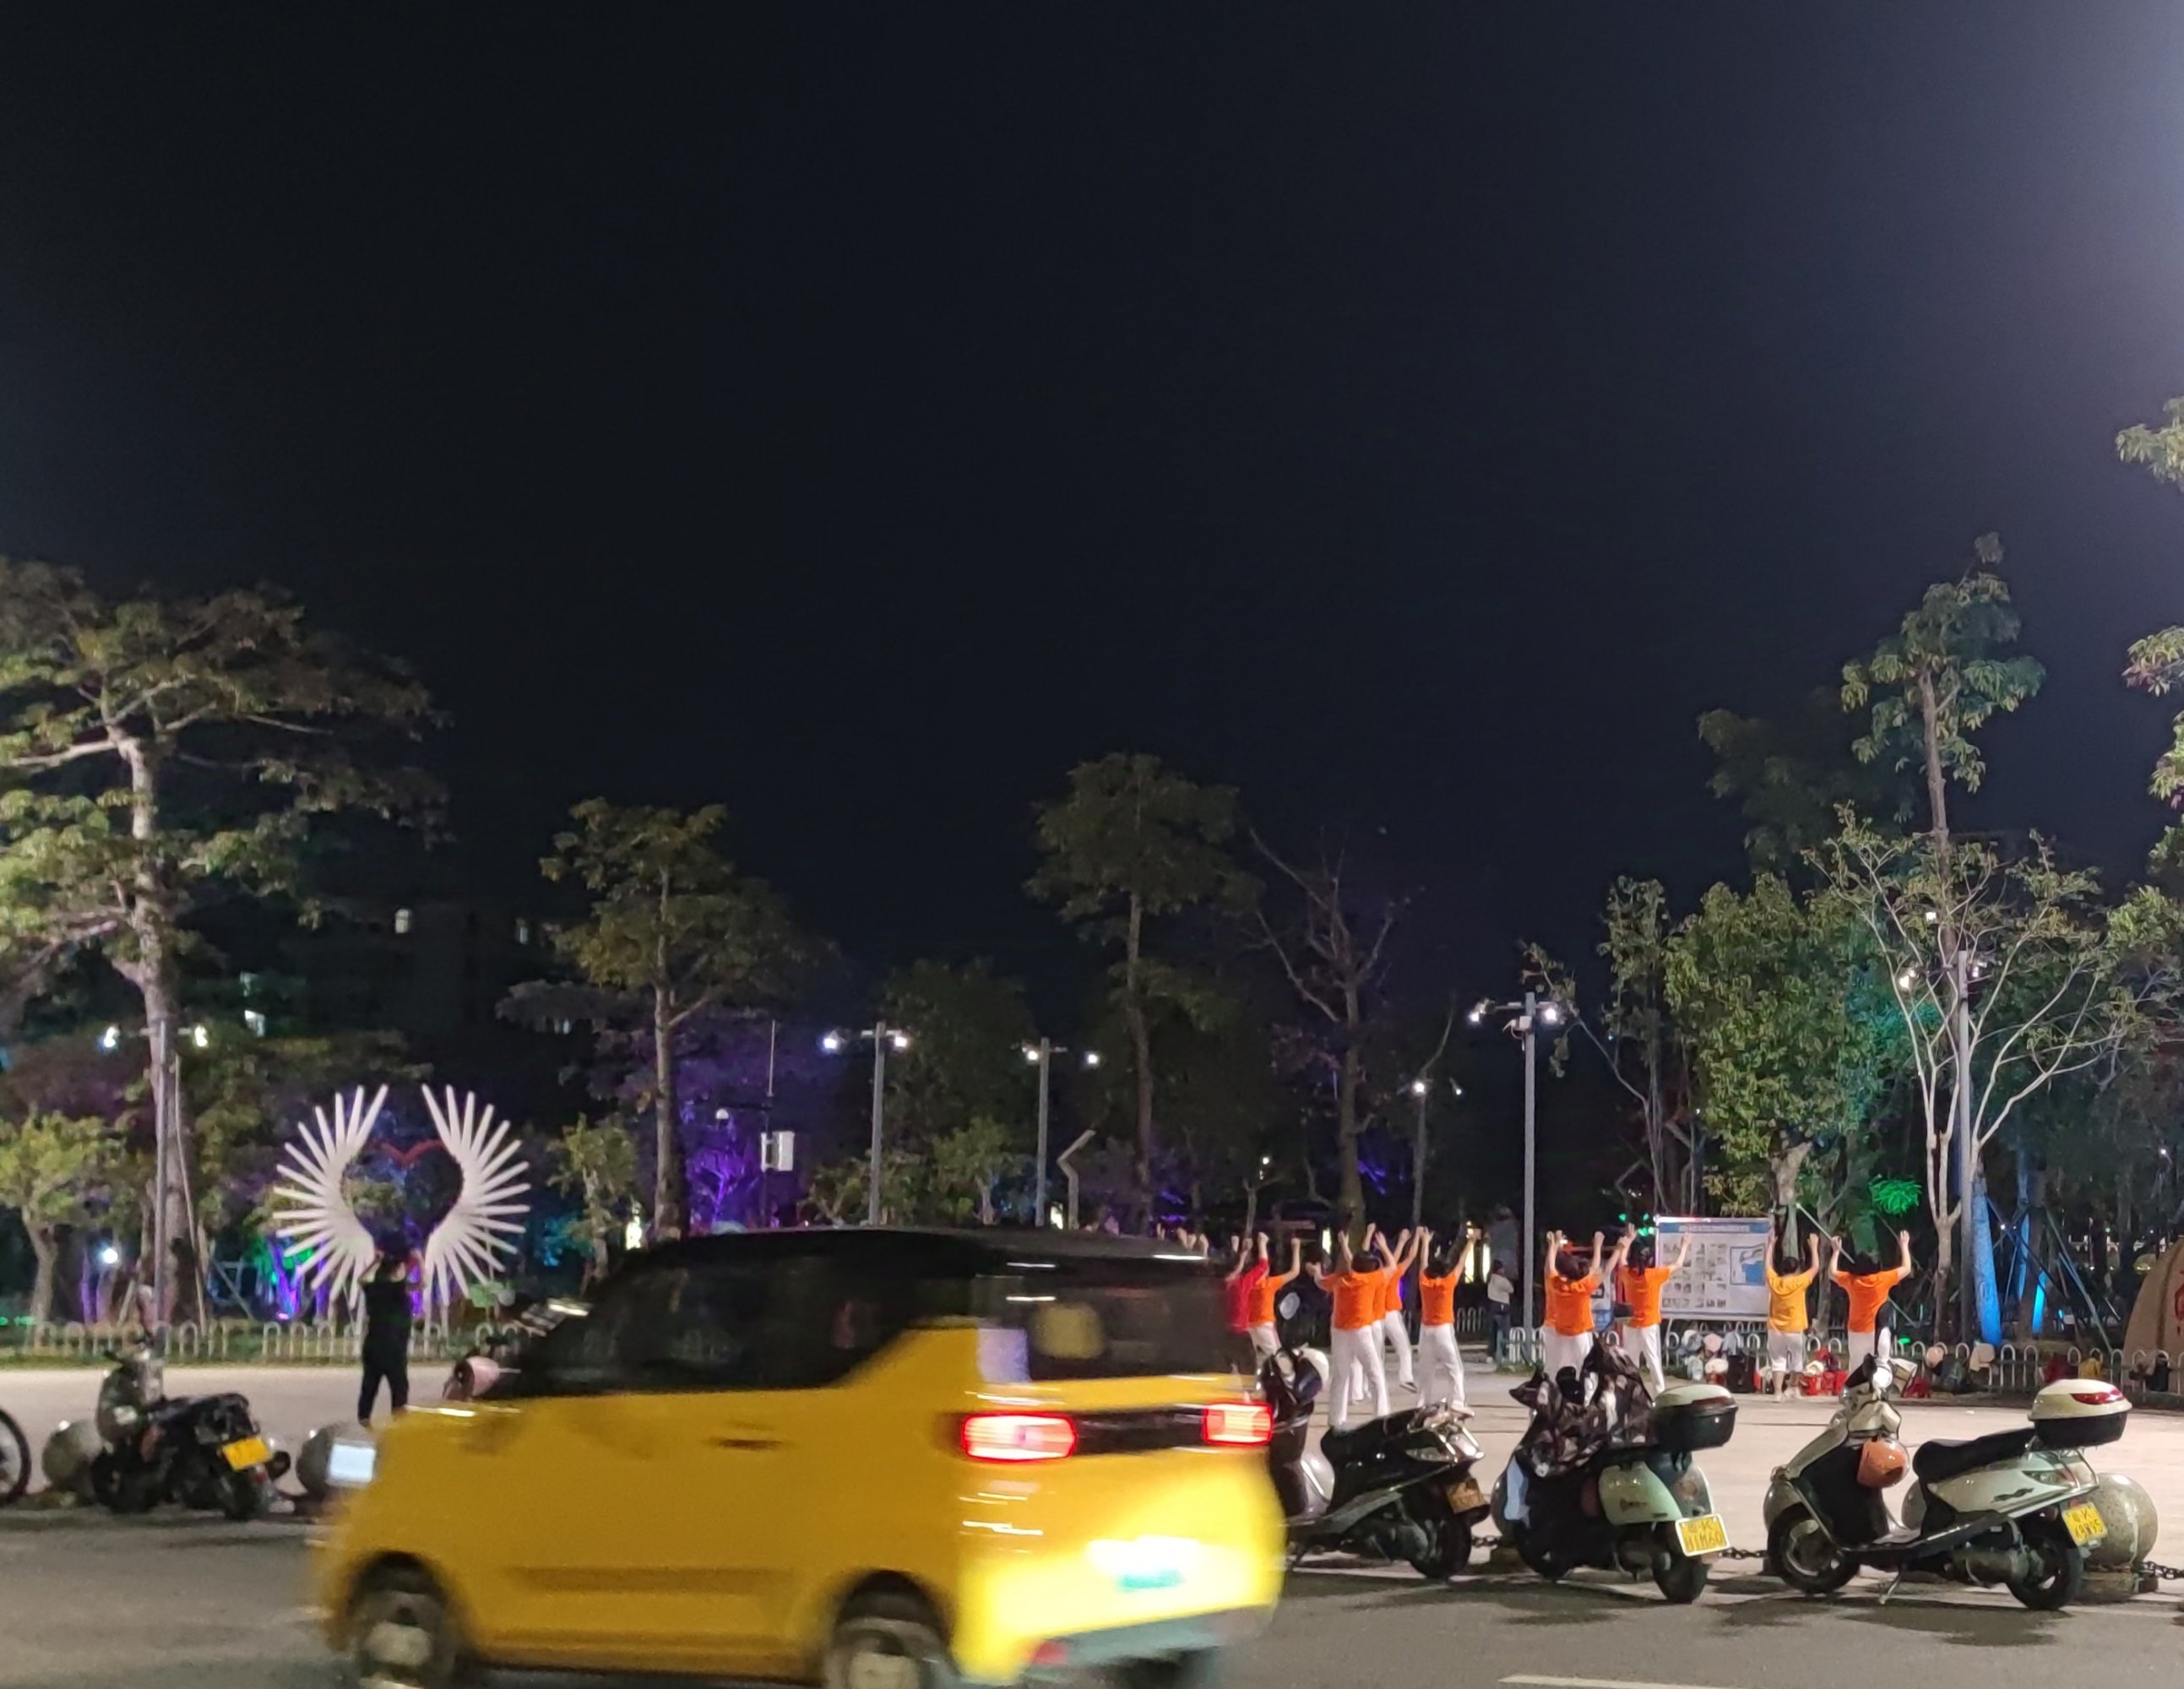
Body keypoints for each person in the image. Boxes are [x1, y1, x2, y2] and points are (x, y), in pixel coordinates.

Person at [1309, 1232, 1390, 1428]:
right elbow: (1393, 1267)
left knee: (1341, 1375)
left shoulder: (1339, 1281)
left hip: (1339, 1332)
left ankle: (1335, 1420)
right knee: (1375, 1373)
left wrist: (1317, 1272)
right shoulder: (1371, 1279)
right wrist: (1384, 1247)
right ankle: (1382, 1417)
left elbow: (1320, 1282)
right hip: (1361, 1332)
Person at [1614, 1223, 1688, 1394]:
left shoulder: (1627, 1274)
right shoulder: (1654, 1276)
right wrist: (1684, 1245)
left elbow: (1621, 1260)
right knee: (1653, 1360)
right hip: (1649, 1324)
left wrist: (1628, 1240)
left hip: (1630, 1324)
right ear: (1649, 1261)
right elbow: (1678, 1264)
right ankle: (1659, 1393)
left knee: (1630, 1361)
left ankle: (1629, 1393)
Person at [1541, 1229, 1617, 1382]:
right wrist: (1599, 1246)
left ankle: (1551, 1392)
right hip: (1579, 1334)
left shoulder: (1557, 1284)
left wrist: (1553, 1246)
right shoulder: (1582, 1287)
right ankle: (1587, 1394)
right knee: (1584, 1367)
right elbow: (1600, 1269)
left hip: (1561, 1332)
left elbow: (1549, 1269)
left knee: (1555, 1368)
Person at [1832, 1230, 1913, 1372]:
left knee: (1856, 1368)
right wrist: (1904, 1245)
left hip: (1856, 1330)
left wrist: (1836, 1252)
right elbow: (1906, 1268)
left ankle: (1857, 1385)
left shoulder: (1852, 1280)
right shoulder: (1882, 1279)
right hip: (1876, 1331)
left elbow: (1832, 1273)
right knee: (1880, 1366)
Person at [359, 1241, 418, 1427]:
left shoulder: (374, 1288)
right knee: (399, 1389)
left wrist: (374, 1262)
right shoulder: (399, 1290)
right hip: (394, 1349)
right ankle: (398, 1423)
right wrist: (420, 1261)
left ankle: (364, 1419)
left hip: (373, 1346)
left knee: (369, 1386)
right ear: (395, 1272)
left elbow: (360, 1280)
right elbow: (423, 1283)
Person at [1765, 1222, 1824, 1397]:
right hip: (1794, 1327)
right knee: (1797, 1359)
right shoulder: (1799, 1282)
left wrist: (1771, 1245)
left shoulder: (1775, 1282)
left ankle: (1778, 1392)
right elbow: (1815, 1268)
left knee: (1778, 1360)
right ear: (1797, 1269)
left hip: (1775, 1327)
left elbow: (1767, 1266)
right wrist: (1814, 1248)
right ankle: (1792, 1387)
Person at [1415, 1228, 1467, 1409]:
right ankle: (1457, 1402)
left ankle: (1423, 1402)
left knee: (1426, 1370)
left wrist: (1425, 1243)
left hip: (1426, 1330)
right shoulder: (1447, 1283)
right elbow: (1460, 1263)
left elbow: (1422, 1264)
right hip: (1443, 1329)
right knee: (1455, 1369)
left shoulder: (1424, 1282)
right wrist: (1470, 1243)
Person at [1365, 1225, 1420, 1392]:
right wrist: (1412, 1238)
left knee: (1376, 1353)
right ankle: (1405, 1378)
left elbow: (1364, 1254)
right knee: (1403, 1348)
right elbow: (1409, 1256)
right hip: (1390, 1314)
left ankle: (1370, 1386)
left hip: (1376, 1316)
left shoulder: (1371, 1276)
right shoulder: (1390, 1273)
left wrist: (1369, 1235)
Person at [1245, 1231, 1301, 1359]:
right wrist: (1296, 1248)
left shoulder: (1247, 1283)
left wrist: (1246, 1249)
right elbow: (1294, 1272)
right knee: (1279, 1358)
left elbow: (1250, 1267)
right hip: (1265, 1326)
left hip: (1248, 1326)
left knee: (1250, 1360)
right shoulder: (1268, 1284)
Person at [1222, 1235, 1269, 1369]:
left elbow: (1234, 1267)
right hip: (1240, 1333)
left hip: (1221, 1334)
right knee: (1248, 1370)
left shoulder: (1216, 1284)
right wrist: (1262, 1243)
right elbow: (1263, 1266)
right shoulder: (1242, 1284)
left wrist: (1241, 1252)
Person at [1486, 1258, 1514, 1361]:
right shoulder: (1501, 1280)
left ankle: (1490, 1354)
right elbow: (1511, 1289)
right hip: (1503, 1307)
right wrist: (1505, 1277)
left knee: (1493, 1331)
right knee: (1505, 1330)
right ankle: (1504, 1354)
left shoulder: (1490, 1278)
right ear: (1500, 1269)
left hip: (1493, 1306)